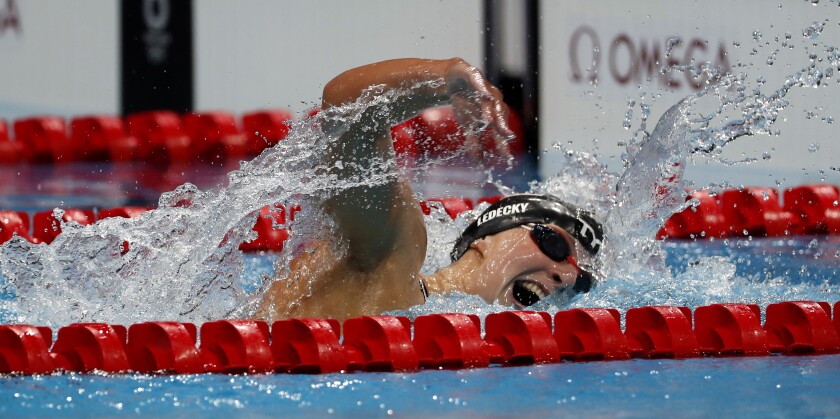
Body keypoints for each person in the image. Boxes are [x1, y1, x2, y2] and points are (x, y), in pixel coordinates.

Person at [255, 58, 604, 321]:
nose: (566, 275)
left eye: (580, 284)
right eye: (554, 244)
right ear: (488, 236)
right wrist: (444, 78)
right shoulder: (393, 255)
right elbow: (347, 112)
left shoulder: (428, 320)